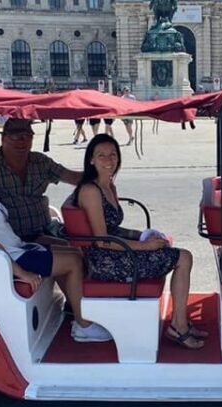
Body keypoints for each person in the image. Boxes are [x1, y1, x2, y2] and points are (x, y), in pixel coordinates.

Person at [0, 141, 111, 342]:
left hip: (15, 248)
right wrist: (20, 272)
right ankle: (83, 326)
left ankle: (74, 307)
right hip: (2, 259)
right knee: (73, 262)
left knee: (71, 251)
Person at [73, 134, 207, 349]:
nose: (108, 160)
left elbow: (112, 229)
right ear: (91, 160)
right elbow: (102, 240)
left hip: (115, 252)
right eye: (101, 156)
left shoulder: (108, 185)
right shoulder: (91, 191)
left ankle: (180, 322)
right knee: (183, 257)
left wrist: (141, 235)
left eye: (113, 155)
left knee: (176, 252)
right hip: (105, 262)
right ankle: (178, 326)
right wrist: (144, 246)